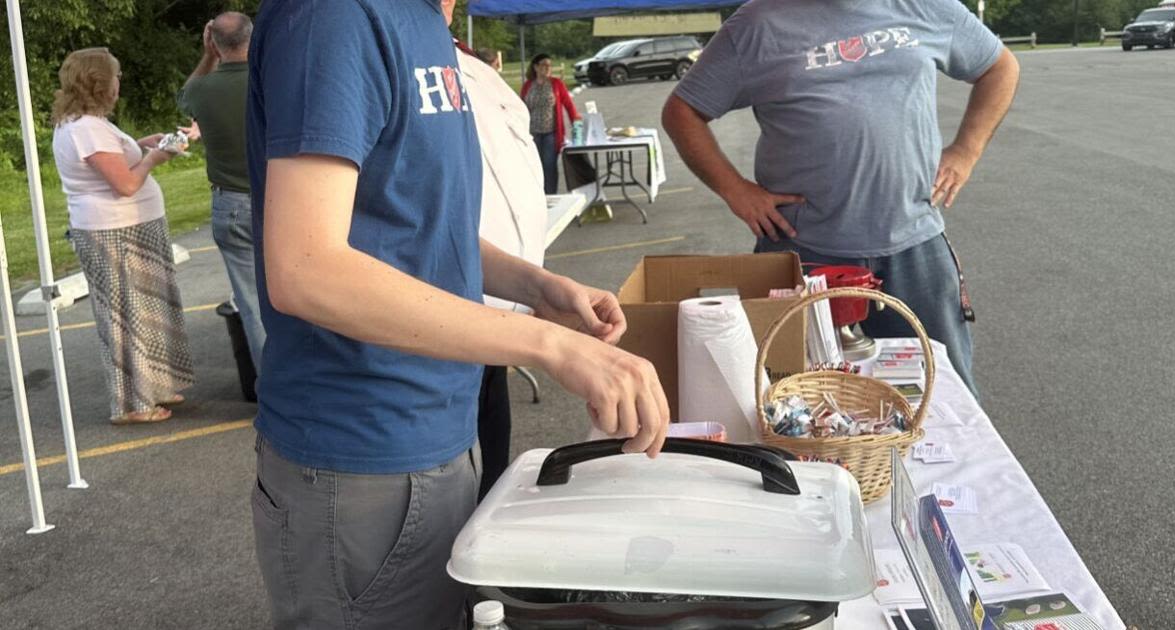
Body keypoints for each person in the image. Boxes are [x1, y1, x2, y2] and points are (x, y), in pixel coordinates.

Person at [247, 1, 669, 628]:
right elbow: (306, 268)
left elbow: (412, 220)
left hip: (443, 428)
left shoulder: (426, 23)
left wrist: (536, 286)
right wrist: (549, 346)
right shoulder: (336, 15)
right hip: (359, 452)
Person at [662, 0, 1020, 397]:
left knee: (942, 392)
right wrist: (736, 190)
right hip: (804, 251)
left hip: (914, 247)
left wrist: (965, 152)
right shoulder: (758, 23)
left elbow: (999, 67)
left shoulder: (927, 6)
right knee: (795, 399)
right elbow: (682, 111)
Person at [50, 48, 195, 424]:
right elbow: (126, 183)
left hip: (131, 228)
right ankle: (132, 403)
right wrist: (153, 159)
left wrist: (143, 144)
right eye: (115, 76)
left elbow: (116, 160)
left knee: (147, 310)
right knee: (126, 316)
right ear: (100, 83)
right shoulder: (84, 128)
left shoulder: (91, 123)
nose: (119, 82)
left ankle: (156, 385)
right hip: (113, 232)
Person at [455, 40, 548, 498]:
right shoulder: (366, 44)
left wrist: (540, 287)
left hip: (495, 313)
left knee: (491, 466)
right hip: (441, 325)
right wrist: (553, 346)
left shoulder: (476, 69)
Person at [177, 12, 264, 371]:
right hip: (278, 199)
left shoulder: (202, 90)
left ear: (213, 43)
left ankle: (272, 388)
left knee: (252, 303)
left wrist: (208, 56)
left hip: (230, 204)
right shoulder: (270, 79)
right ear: (252, 37)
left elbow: (185, 97)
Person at [520, 53, 580, 194]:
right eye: (544, 65)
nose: (547, 68)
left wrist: (576, 124)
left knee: (549, 166)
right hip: (532, 134)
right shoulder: (528, 85)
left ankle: (551, 196)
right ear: (536, 67)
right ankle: (538, 197)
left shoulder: (556, 84)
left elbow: (569, 105)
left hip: (551, 134)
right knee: (535, 167)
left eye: (549, 65)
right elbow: (521, 108)